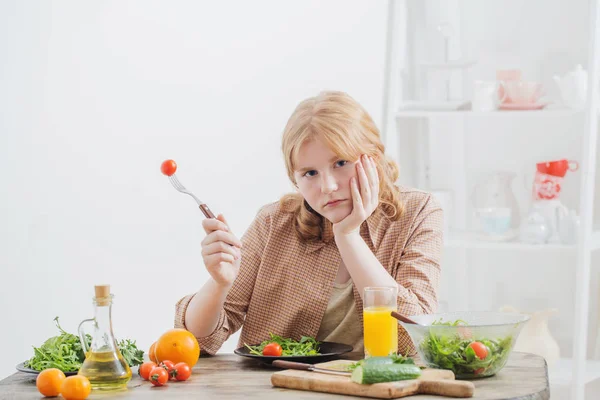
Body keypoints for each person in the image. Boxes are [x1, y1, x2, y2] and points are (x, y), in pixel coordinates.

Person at [174, 91, 443, 356]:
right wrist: (219, 283)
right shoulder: (273, 223)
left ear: (373, 159)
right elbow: (199, 341)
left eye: (341, 163)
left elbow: (415, 337)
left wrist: (348, 235)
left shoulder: (417, 212)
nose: (328, 186)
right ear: (295, 180)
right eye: (310, 173)